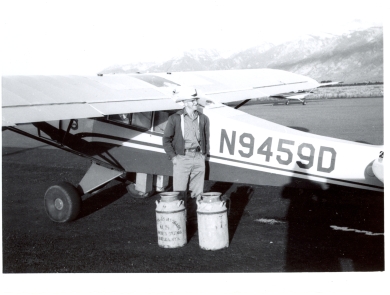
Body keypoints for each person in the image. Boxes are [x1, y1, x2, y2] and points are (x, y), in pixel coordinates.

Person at [162, 87, 210, 225]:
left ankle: (193, 222)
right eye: (192, 100)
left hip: (198, 157)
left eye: (195, 99)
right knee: (180, 192)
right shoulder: (175, 119)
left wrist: (203, 155)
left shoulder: (203, 118)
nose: (196, 102)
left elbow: (206, 138)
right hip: (182, 158)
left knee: (197, 192)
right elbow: (166, 140)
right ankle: (179, 222)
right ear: (185, 102)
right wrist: (174, 157)